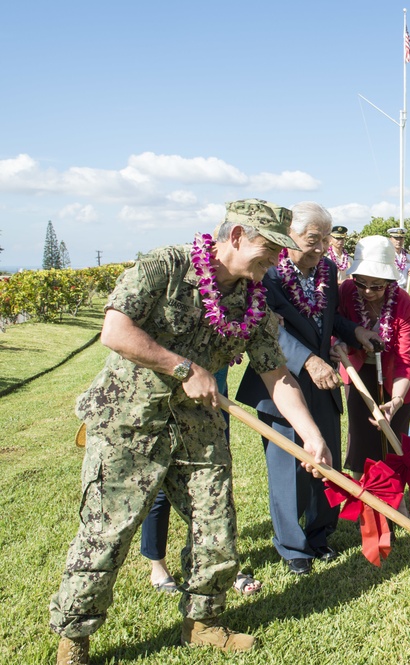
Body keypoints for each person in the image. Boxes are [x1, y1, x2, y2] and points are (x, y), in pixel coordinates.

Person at [50, 199, 338, 663]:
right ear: (238, 235)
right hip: (129, 420)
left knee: (215, 524)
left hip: (198, 428)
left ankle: (203, 621)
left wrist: (310, 435)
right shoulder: (164, 266)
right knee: (106, 532)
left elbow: (276, 375)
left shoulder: (255, 301)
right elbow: (115, 331)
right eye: (268, 250)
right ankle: (74, 638)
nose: (273, 262)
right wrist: (183, 367)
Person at [236, 202, 380, 576]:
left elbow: (327, 320)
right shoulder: (267, 275)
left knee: (325, 456)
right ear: (289, 238)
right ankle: (292, 545)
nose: (318, 248)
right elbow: (268, 330)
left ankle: (320, 533)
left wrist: (354, 332)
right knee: (288, 467)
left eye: (324, 240)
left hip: (325, 381)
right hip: (280, 379)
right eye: (311, 239)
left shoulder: (328, 270)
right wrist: (307, 360)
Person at [142, 367, 261, 595]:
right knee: (159, 486)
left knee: (216, 482)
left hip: (214, 400)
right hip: (166, 405)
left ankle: (225, 567)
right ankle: (157, 565)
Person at [337, 236, 410, 476]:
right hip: (358, 370)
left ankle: (396, 501)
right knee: (360, 437)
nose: (367, 291)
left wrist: (396, 401)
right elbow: (336, 326)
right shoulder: (345, 291)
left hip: (397, 375)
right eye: (361, 282)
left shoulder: (404, 303)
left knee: (393, 438)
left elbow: (405, 359)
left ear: (389, 281)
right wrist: (339, 344)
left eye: (376, 285)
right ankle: (364, 498)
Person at [388, 226, 410, 291]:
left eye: (401, 238)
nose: (398, 241)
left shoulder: (407, 256)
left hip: (405, 289)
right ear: (390, 239)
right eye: (396, 238)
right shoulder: (387, 255)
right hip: (390, 290)